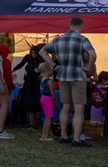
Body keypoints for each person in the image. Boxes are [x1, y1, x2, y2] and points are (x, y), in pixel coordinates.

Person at [40, 16, 97, 147]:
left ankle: (64, 135)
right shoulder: (82, 39)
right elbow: (93, 54)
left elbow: (42, 51)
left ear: (69, 25)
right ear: (81, 26)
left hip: (63, 75)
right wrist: (89, 67)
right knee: (78, 108)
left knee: (65, 107)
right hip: (78, 75)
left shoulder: (58, 39)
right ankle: (76, 139)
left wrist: (54, 66)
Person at [13, 45, 43, 130]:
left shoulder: (40, 61)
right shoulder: (28, 57)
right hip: (27, 83)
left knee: (33, 103)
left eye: (35, 53)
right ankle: (32, 123)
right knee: (28, 102)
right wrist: (13, 70)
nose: (33, 54)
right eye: (32, 52)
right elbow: (21, 64)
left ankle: (35, 122)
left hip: (34, 83)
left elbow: (41, 73)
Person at [38, 62, 56, 142]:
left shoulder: (42, 79)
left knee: (46, 117)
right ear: (47, 70)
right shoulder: (49, 81)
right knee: (49, 117)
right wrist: (55, 101)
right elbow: (52, 91)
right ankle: (46, 136)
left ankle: (43, 135)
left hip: (43, 98)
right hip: (48, 98)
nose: (52, 72)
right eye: (51, 70)